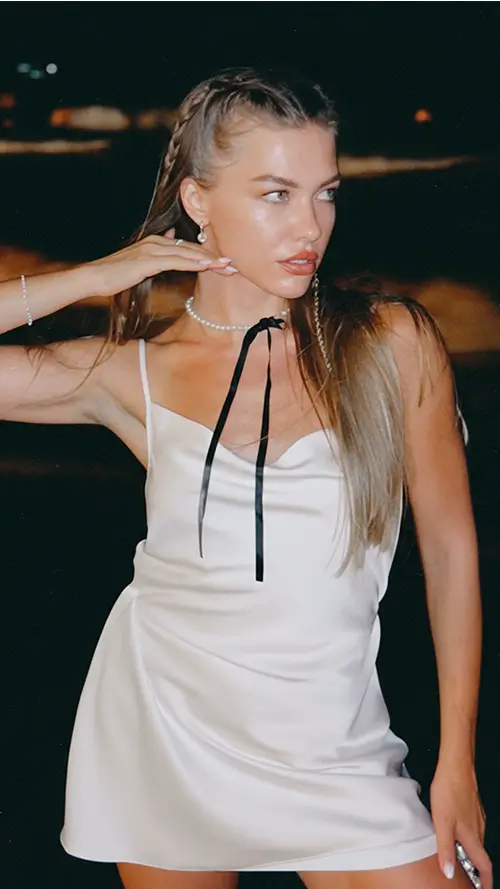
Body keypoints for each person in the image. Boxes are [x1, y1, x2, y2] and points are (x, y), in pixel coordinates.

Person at [0, 68, 491, 889]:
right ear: (198, 201)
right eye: (275, 194)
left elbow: (450, 550)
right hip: (168, 730)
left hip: (337, 751)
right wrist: (93, 276)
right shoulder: (132, 373)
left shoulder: (391, 344)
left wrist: (458, 764)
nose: (309, 226)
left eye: (326, 193)